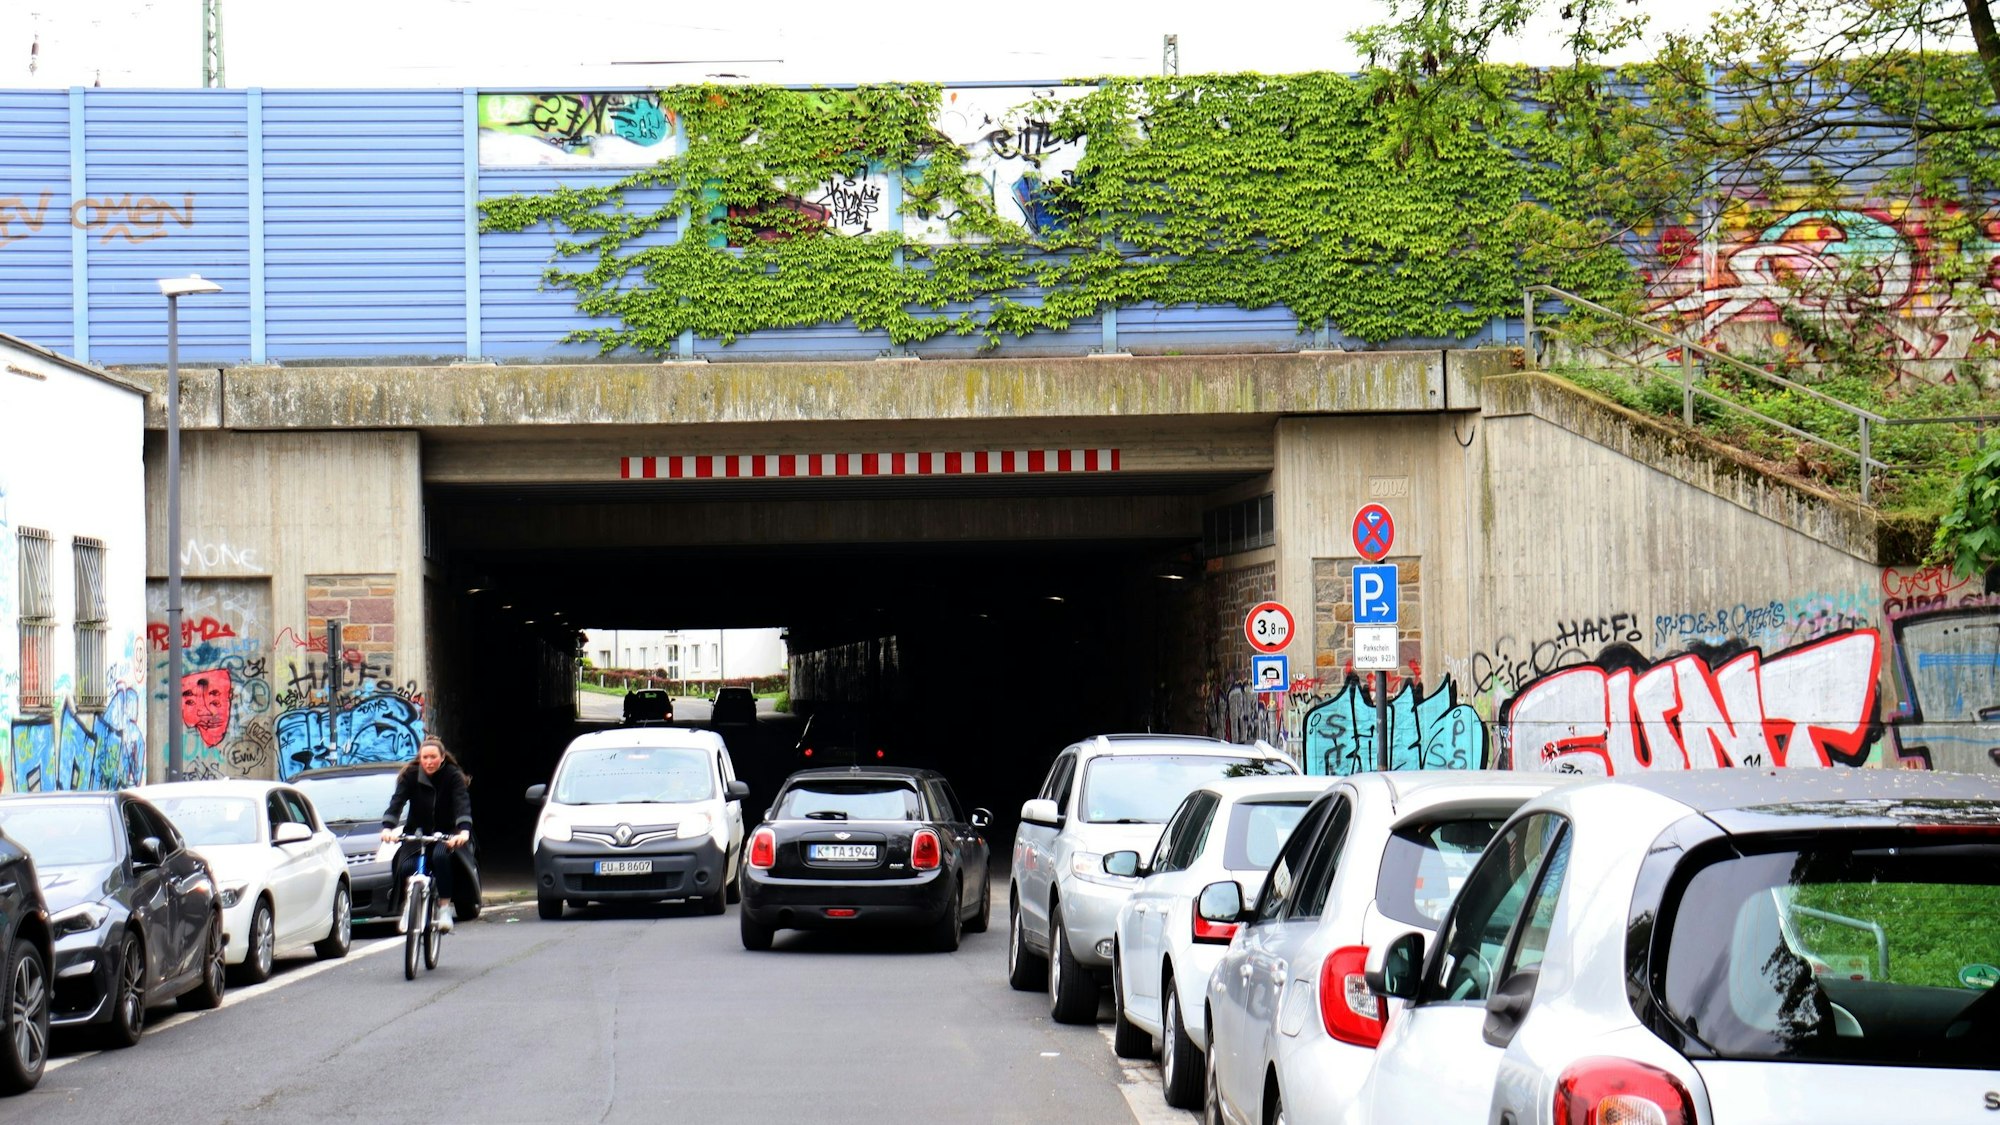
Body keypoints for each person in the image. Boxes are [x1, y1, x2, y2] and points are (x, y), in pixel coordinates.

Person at [380, 736, 473, 932]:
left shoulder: (452, 775)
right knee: (405, 866)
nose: (429, 762)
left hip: (446, 833)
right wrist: (388, 827)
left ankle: (445, 908)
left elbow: (461, 803)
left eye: (433, 757)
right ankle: (409, 906)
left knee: (441, 858)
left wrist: (463, 831)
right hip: (417, 833)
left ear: (442, 758)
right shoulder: (410, 775)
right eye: (425, 757)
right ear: (420, 758)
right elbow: (397, 802)